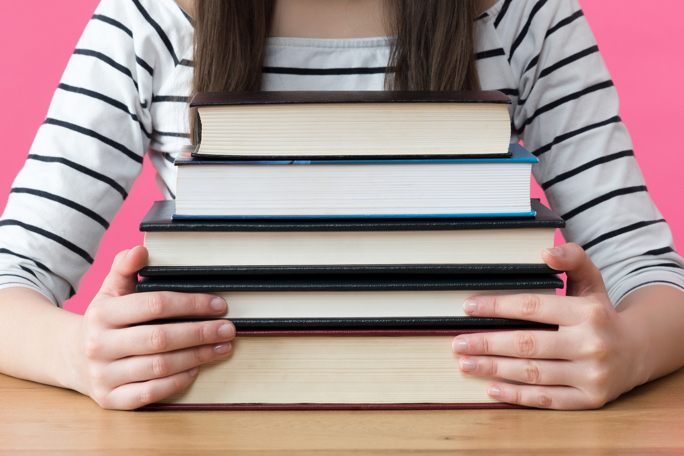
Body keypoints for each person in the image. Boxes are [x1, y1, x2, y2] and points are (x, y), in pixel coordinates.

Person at [1, 0, 683, 411]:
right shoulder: (150, 19)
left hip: (486, 425)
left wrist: (631, 350)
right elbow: (11, 277)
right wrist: (77, 354)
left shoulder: (522, 15)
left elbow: (653, 273)